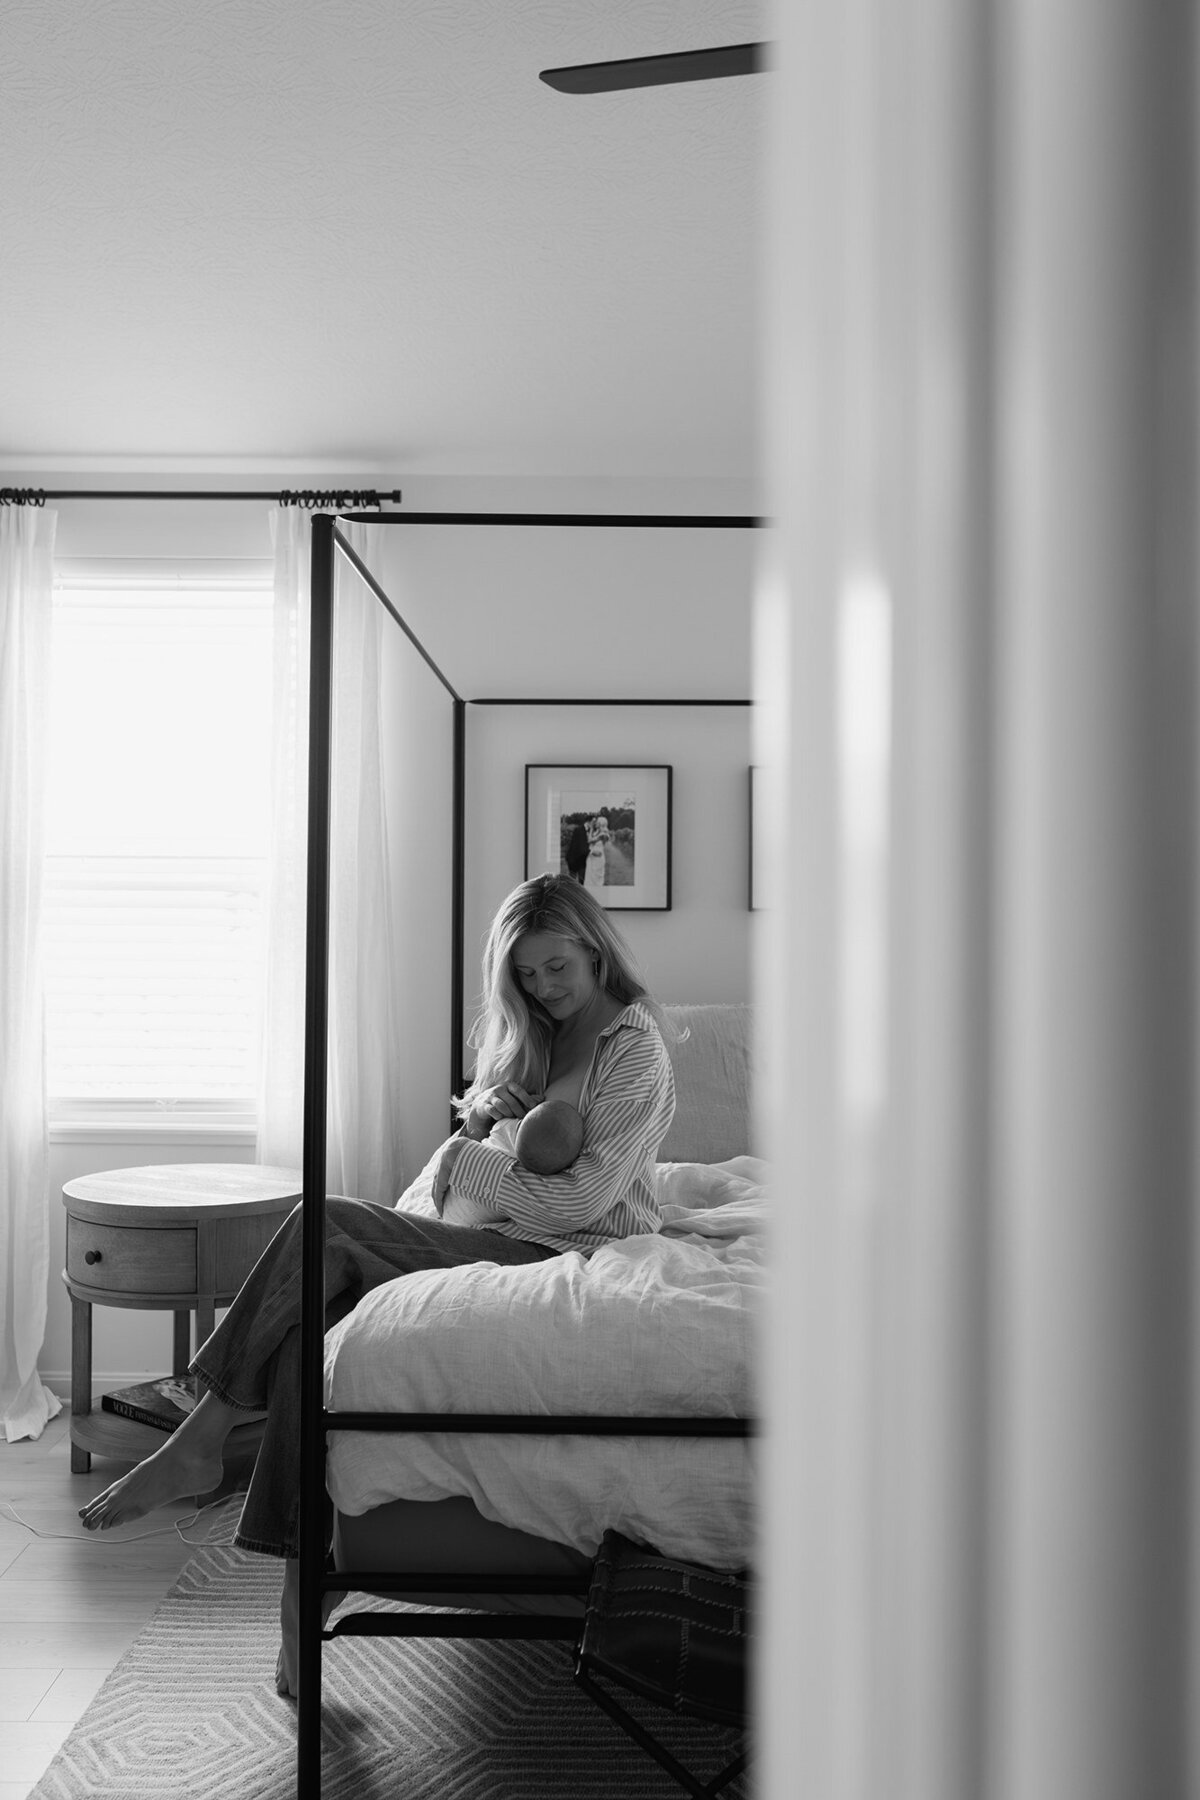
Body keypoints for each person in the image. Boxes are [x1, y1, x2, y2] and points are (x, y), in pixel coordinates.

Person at [78, 875, 675, 1694]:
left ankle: (200, 1438)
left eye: (556, 968)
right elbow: (436, 1193)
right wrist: (472, 1125)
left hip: (569, 1254)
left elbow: (580, 1200)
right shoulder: (532, 1036)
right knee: (310, 1321)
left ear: (594, 948)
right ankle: (296, 1615)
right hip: (497, 1236)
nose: (541, 988)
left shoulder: (633, 1047)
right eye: (525, 975)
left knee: (323, 1223)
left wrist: (472, 1152)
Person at [439, 1099, 585, 1227]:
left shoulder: (504, 1128)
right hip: (466, 1219)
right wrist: (477, 1114)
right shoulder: (544, 1167)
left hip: (451, 1207)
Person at [585, 813, 611, 890]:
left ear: (601, 824)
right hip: (592, 857)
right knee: (590, 878)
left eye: (597, 822)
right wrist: (592, 829)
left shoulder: (603, 834)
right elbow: (589, 840)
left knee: (596, 880)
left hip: (598, 859)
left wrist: (592, 828)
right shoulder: (596, 832)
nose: (595, 823)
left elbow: (590, 841)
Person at [563, 817, 589, 884]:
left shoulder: (584, 830)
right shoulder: (579, 830)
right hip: (575, 859)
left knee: (580, 880)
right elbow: (580, 847)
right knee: (575, 880)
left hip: (579, 859)